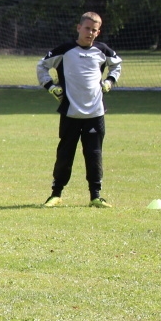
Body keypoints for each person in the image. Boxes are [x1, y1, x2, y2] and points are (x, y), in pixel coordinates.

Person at [36, 11, 122, 208]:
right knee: (65, 154)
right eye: (87, 28)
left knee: (94, 154)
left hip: (95, 113)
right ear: (78, 28)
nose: (90, 33)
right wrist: (50, 87)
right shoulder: (64, 50)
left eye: (94, 30)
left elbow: (117, 65)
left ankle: (96, 196)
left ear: (98, 32)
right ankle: (56, 194)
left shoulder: (102, 51)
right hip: (70, 113)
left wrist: (109, 81)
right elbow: (41, 66)